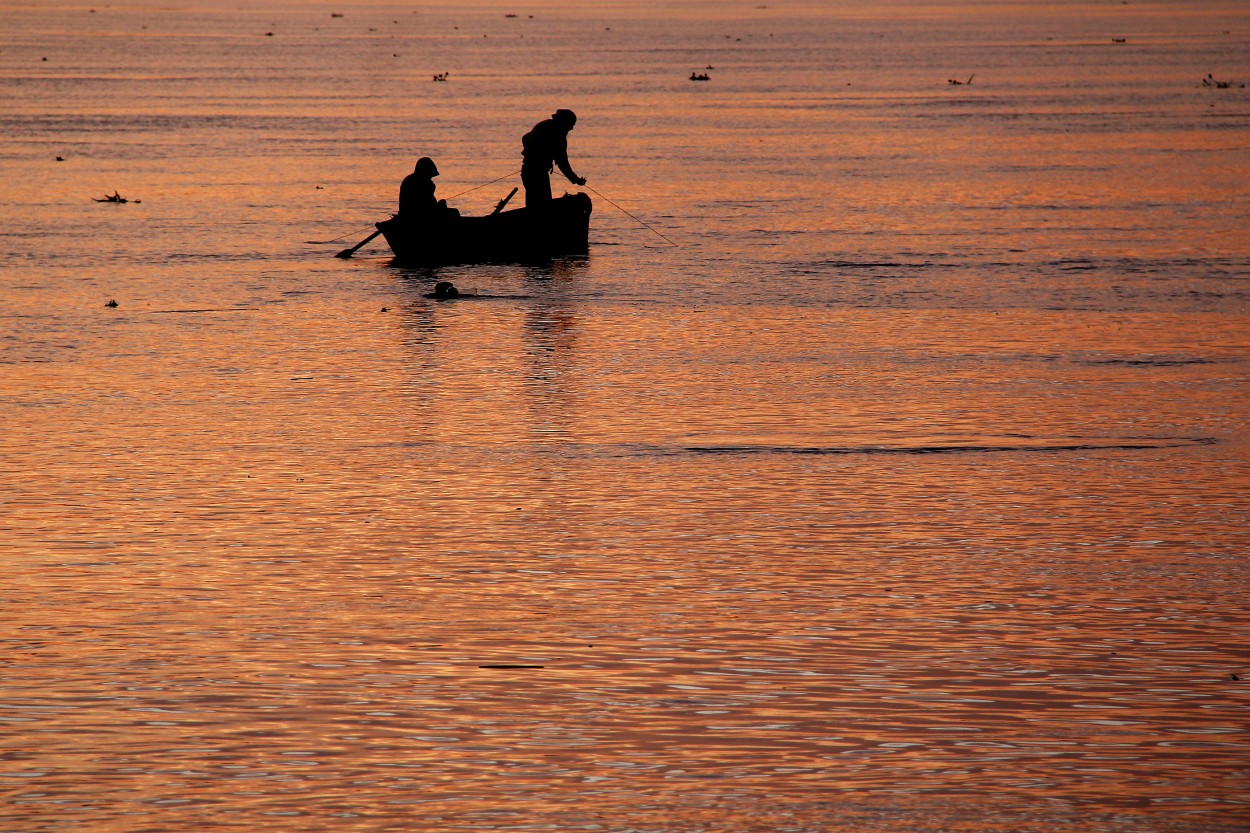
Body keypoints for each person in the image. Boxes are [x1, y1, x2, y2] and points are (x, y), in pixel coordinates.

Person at [520, 109, 586, 209]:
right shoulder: (558, 135)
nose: (571, 128)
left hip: (527, 170)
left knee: (534, 205)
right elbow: (562, 163)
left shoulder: (543, 125)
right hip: (537, 173)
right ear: (564, 122)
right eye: (571, 124)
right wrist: (575, 179)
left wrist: (530, 154)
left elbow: (525, 137)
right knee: (542, 206)